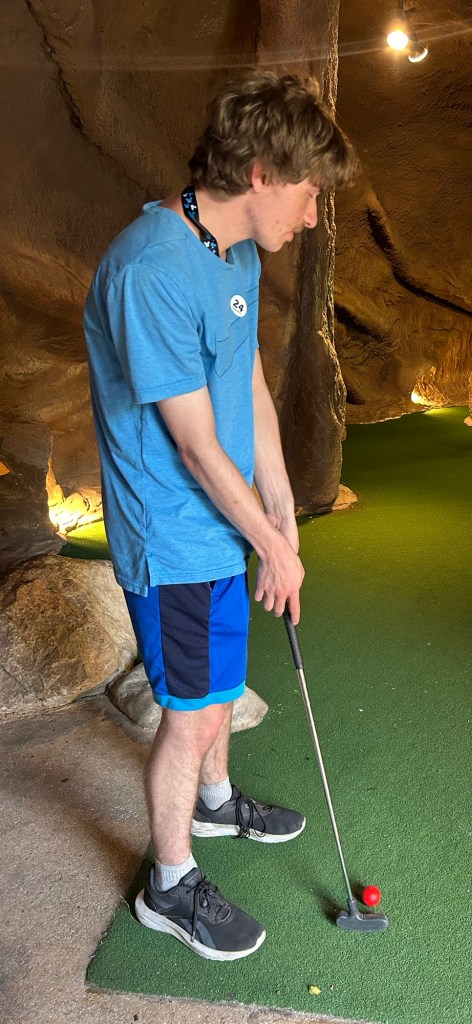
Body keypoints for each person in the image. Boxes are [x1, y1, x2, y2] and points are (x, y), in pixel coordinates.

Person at [83, 71, 358, 962]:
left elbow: (244, 381)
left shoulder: (234, 251)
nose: (312, 216)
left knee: (219, 693)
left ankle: (215, 802)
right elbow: (197, 445)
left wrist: (277, 501)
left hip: (221, 522)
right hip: (172, 532)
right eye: (309, 193)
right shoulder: (150, 270)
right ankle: (168, 884)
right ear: (261, 173)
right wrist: (269, 543)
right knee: (195, 711)